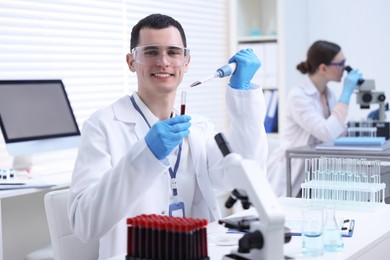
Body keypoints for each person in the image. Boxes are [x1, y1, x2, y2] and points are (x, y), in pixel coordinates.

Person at [68, 13, 267, 259]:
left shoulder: (199, 128)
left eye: (173, 52)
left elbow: (242, 178)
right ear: (132, 62)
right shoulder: (103, 125)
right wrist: (144, 156)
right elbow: (84, 223)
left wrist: (243, 97)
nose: (163, 61)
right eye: (151, 52)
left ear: (186, 62)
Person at [267, 40, 362, 197]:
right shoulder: (298, 96)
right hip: (294, 172)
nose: (344, 69)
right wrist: (346, 94)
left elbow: (335, 133)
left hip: (315, 172)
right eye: (341, 64)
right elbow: (326, 133)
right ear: (323, 68)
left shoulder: (329, 94)